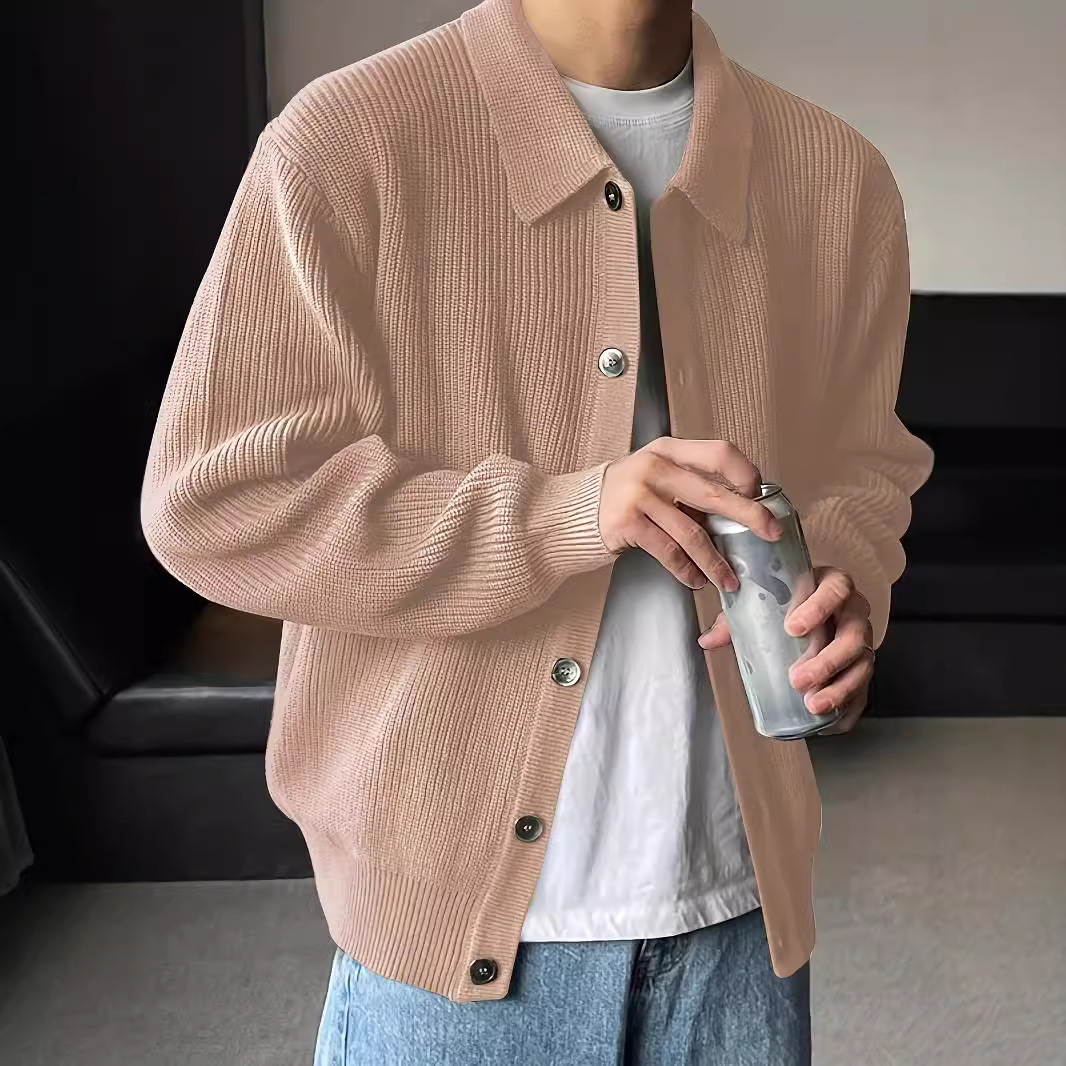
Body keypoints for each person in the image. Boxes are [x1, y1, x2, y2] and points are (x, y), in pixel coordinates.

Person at [141, 0, 933, 1061]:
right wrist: (565, 514)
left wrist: (846, 585)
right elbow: (214, 501)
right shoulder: (346, 141)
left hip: (739, 933)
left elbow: (864, 467)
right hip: (451, 958)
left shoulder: (838, 176)